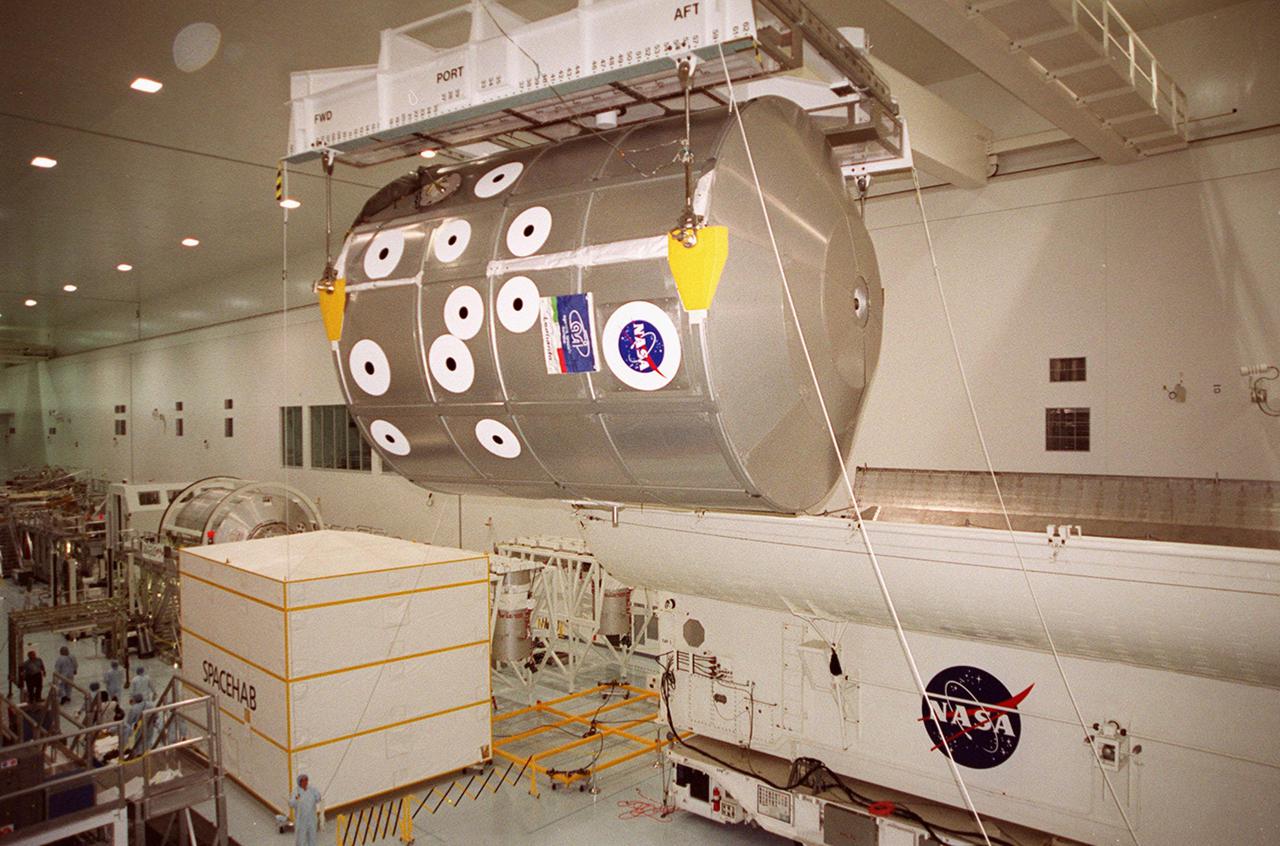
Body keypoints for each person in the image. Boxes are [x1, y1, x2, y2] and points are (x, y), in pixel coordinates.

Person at [289, 774, 322, 846]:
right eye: (303, 780)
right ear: (299, 782)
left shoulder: (312, 789)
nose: (305, 782)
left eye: (306, 780)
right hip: (301, 820)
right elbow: (291, 804)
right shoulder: (296, 792)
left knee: (312, 837)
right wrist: (296, 798)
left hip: (312, 818)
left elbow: (318, 798)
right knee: (301, 838)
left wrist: (319, 797)